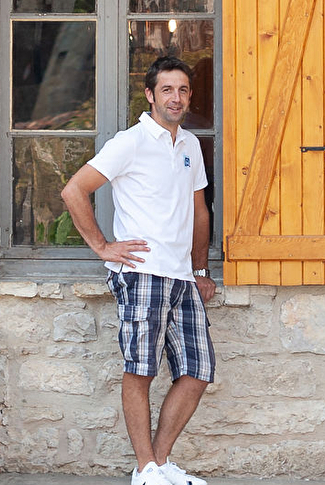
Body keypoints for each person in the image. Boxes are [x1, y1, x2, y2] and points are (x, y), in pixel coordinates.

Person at [62, 57, 217, 485]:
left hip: (182, 276)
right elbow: (74, 190)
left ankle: (160, 463)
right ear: (150, 95)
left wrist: (200, 267)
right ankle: (145, 469)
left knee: (198, 370)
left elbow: (199, 211)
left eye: (183, 90)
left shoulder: (189, 145)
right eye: (167, 90)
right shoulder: (129, 142)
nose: (176, 98)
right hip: (141, 273)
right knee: (141, 369)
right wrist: (103, 247)